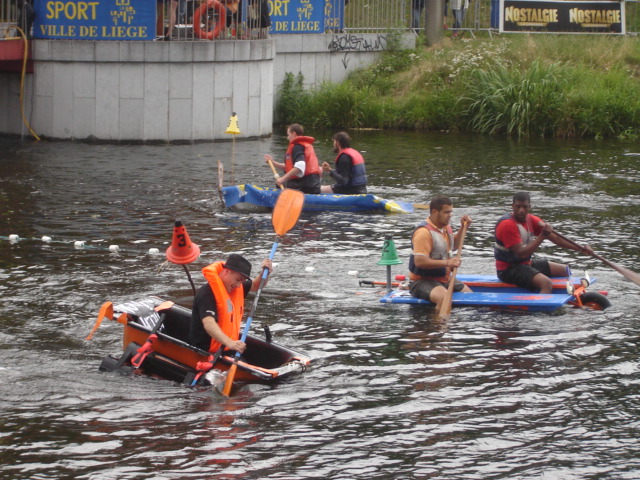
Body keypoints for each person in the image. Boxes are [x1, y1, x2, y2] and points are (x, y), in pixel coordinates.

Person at [494, 191, 593, 293]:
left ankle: (566, 296)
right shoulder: (507, 225)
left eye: (525, 207)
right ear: (513, 206)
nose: (521, 210)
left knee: (564, 270)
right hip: (508, 270)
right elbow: (521, 253)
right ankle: (541, 307)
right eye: (518, 207)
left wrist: (581, 248)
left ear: (529, 207)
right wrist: (542, 236)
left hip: (525, 264)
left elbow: (557, 239)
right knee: (546, 283)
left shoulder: (531, 220)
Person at [189, 253, 272, 353]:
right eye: (238, 280)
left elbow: (256, 285)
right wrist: (230, 342)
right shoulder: (207, 293)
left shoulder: (237, 287)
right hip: (205, 351)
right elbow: (209, 323)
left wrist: (264, 273)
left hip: (227, 349)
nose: (238, 285)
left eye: (242, 281)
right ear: (227, 271)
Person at [408, 195, 473, 311]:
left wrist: (464, 228)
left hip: (443, 278)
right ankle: (437, 326)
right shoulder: (423, 233)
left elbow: (454, 247)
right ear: (434, 212)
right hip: (421, 281)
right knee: (444, 299)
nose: (450, 215)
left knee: (470, 296)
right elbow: (419, 261)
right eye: (446, 212)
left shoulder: (446, 228)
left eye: (451, 212)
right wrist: (448, 263)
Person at [264, 124, 321, 194]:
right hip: (314, 185)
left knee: (281, 183)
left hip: (304, 185)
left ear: (294, 134)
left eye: (288, 135)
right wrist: (273, 163)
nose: (287, 138)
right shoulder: (305, 145)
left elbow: (300, 166)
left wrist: (282, 179)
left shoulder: (297, 147)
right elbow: (290, 168)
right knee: (283, 181)